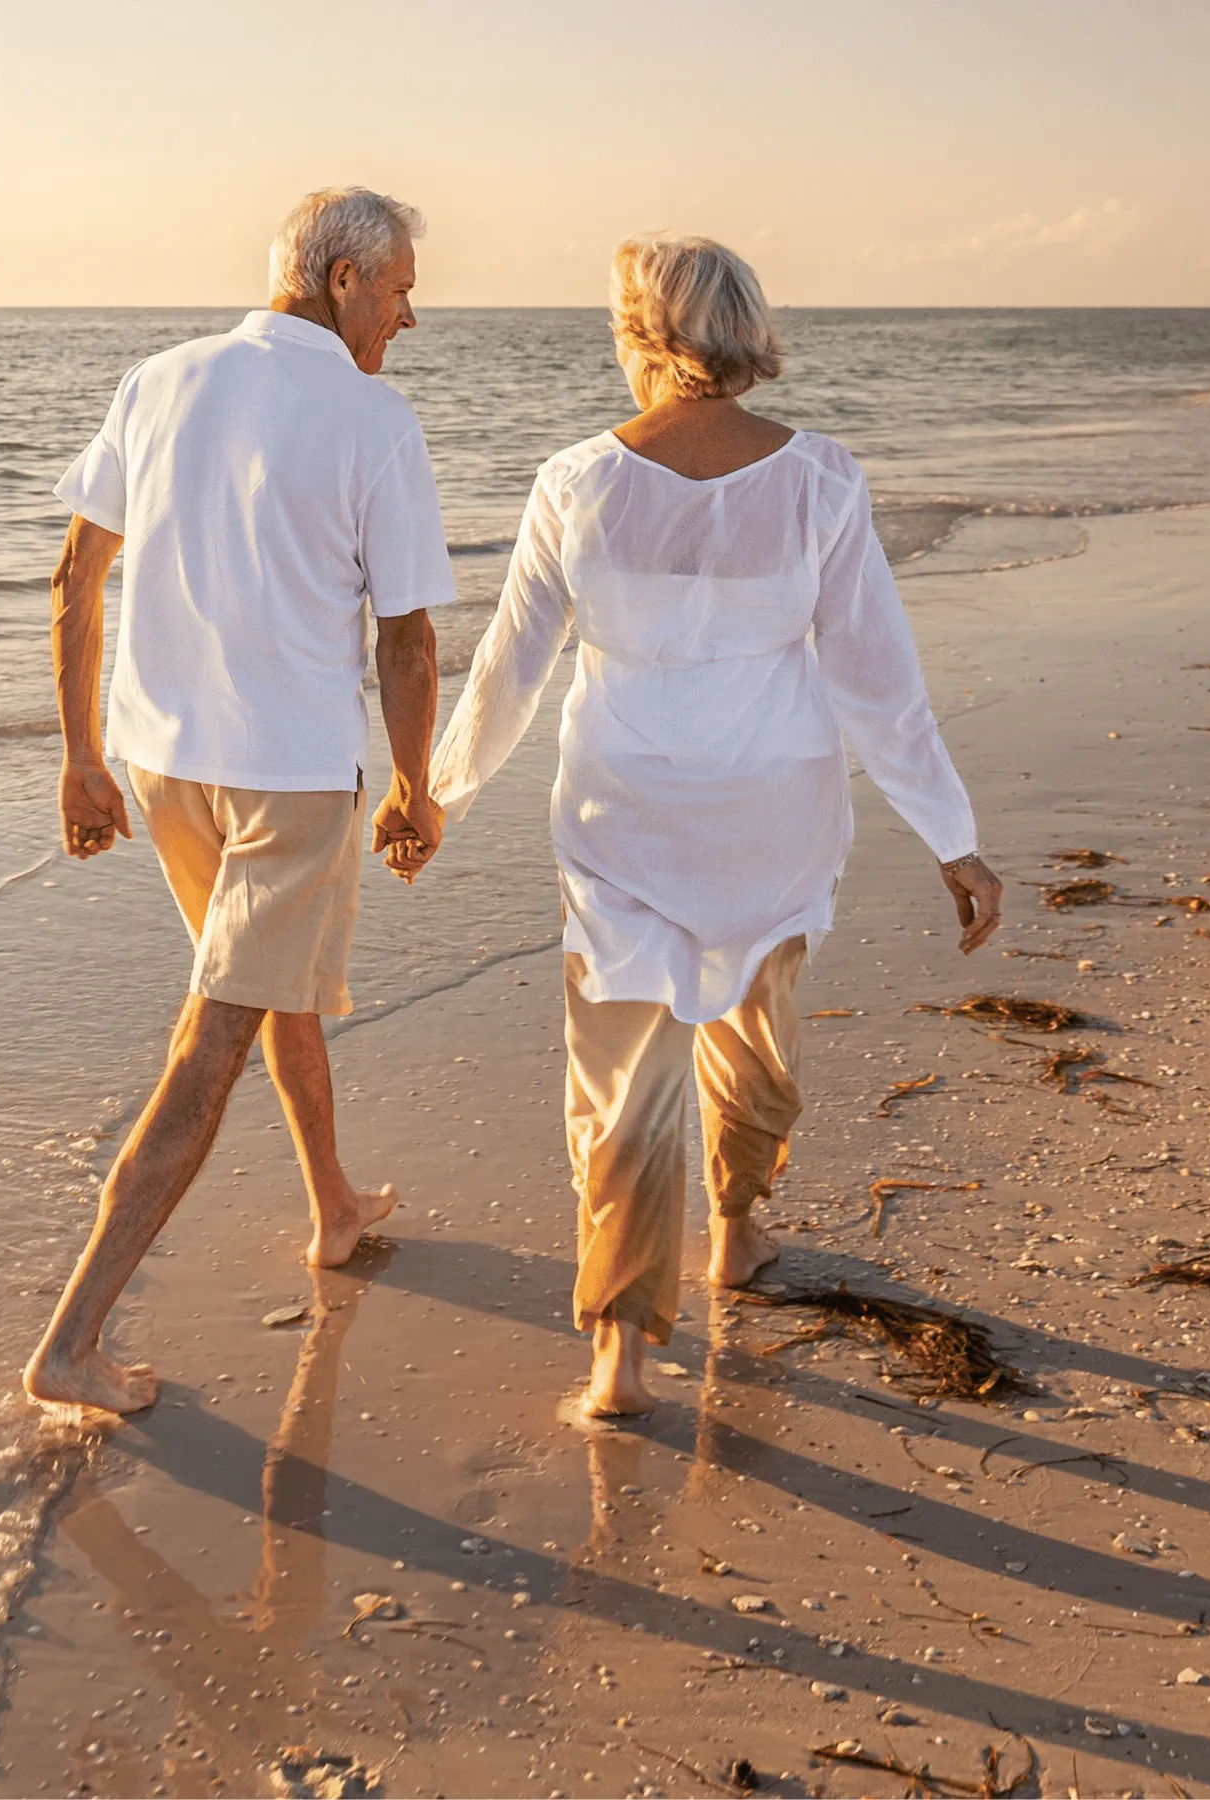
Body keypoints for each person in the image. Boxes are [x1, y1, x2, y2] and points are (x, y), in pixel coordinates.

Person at [418, 234, 1001, 1424]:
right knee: (755, 1033)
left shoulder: (576, 479)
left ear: (641, 335)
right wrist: (954, 837)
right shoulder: (823, 478)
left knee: (624, 1080)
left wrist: (437, 794)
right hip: (774, 815)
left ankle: (621, 1358)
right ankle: (733, 1234)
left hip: (621, 811)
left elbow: (509, 674)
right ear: (744, 334)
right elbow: (878, 683)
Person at [19, 187, 452, 1416]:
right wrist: (415, 789)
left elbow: (72, 577)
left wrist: (82, 758)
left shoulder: (158, 379)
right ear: (342, 281)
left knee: (275, 988)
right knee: (214, 1036)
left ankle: (331, 1208)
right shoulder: (374, 419)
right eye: (403, 286)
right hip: (289, 781)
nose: (411, 314)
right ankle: (72, 1340)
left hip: (162, 768)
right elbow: (408, 639)